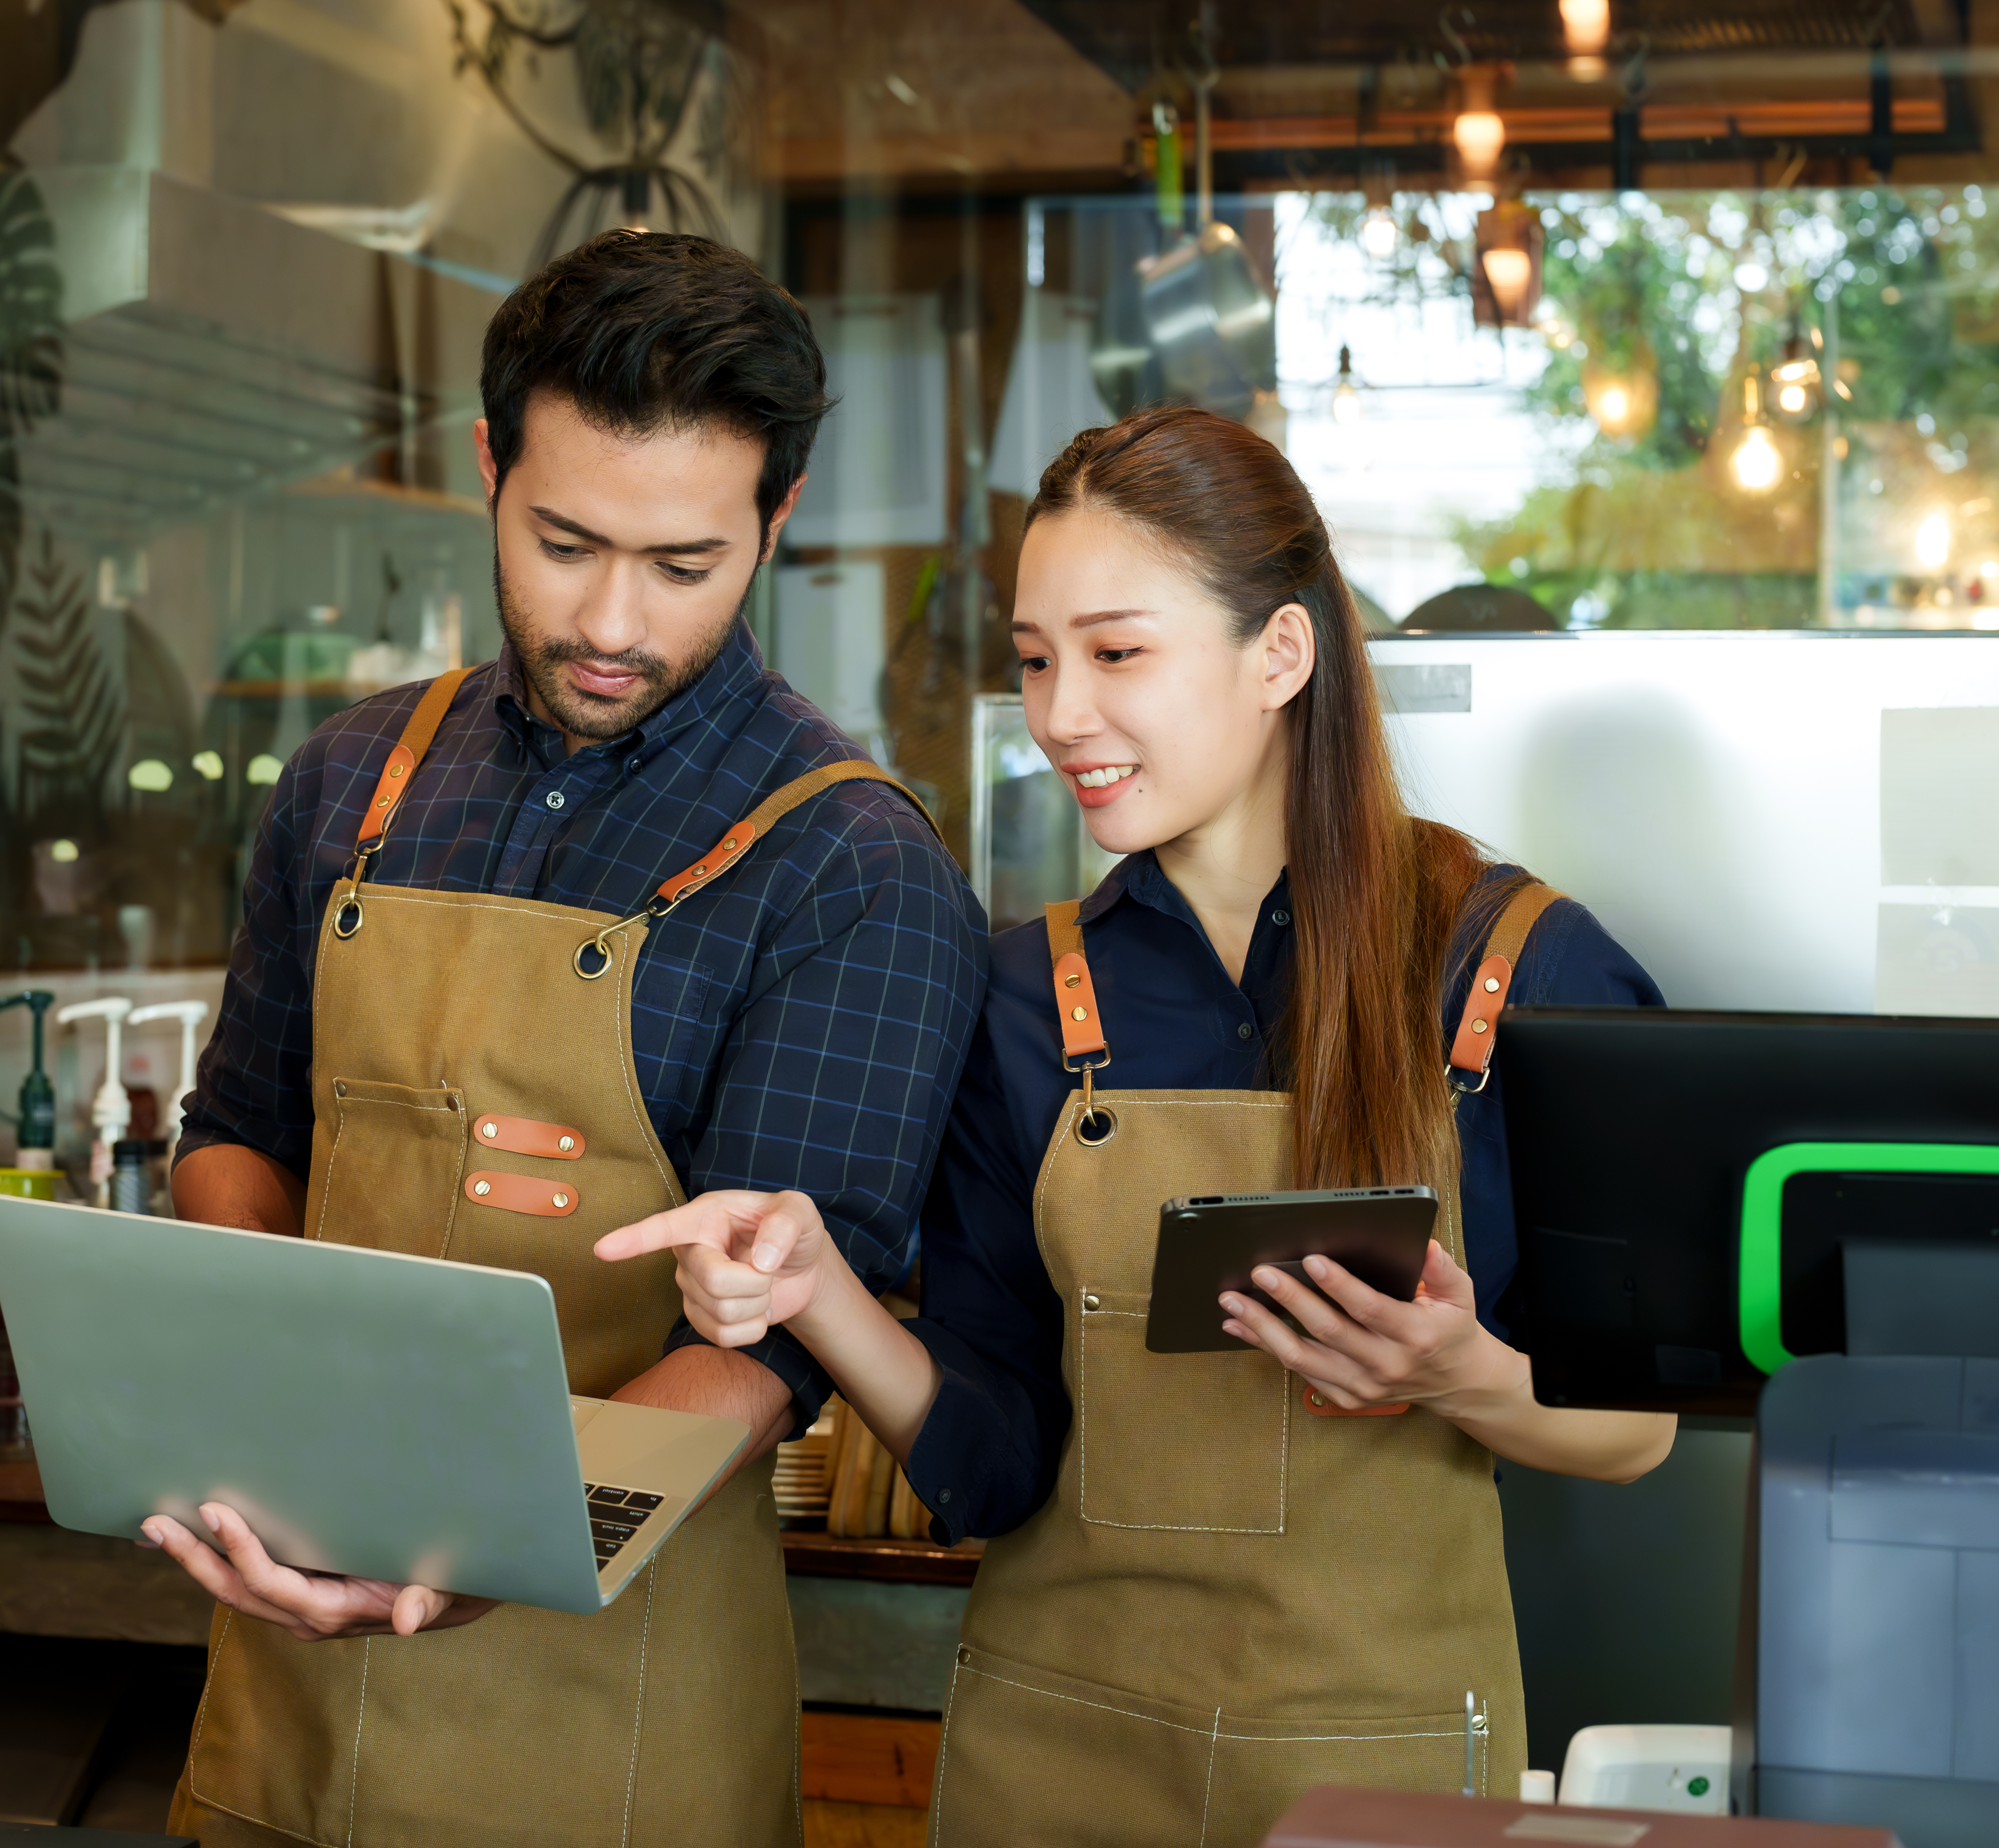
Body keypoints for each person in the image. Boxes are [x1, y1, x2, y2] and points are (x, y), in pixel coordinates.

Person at [602, 405, 1678, 1847]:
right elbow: (996, 1465)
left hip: (1385, 1762)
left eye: (1117, 654)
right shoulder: (1018, 996)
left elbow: (1637, 1430)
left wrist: (1462, 1370)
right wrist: (821, 1295)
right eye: (1037, 661)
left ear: (1280, 655)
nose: (1059, 716)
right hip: (1053, 1753)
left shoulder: (1519, 971)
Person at [150, 230, 988, 1848]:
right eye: (563, 542)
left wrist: (477, 1544)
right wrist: (245, 1422)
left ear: (776, 522)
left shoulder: (852, 862)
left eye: (684, 565)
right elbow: (241, 1134)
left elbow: (775, 1343)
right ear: (487, 467)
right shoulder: (347, 781)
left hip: (614, 1723)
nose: (612, 619)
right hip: (279, 1696)